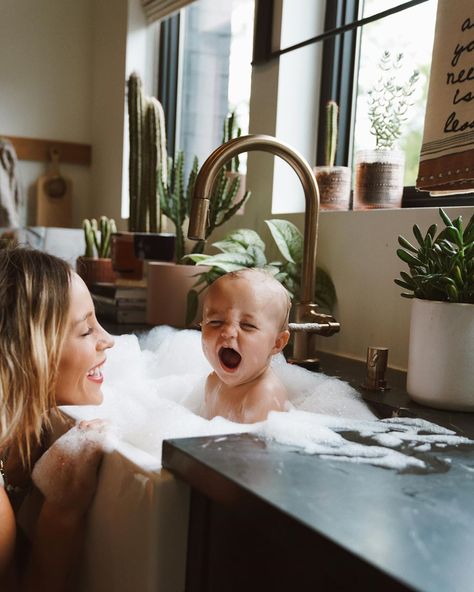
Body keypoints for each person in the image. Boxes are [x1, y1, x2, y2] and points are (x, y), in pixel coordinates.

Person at [0, 245, 115, 591]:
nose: (107, 340)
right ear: (29, 353)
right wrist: (62, 511)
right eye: (85, 331)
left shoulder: (19, 437)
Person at [201, 268, 291, 423]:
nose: (228, 332)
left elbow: (254, 447)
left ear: (277, 343)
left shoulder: (263, 395)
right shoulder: (213, 382)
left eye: (248, 325)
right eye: (215, 322)